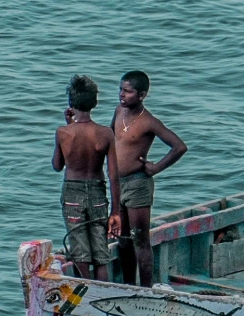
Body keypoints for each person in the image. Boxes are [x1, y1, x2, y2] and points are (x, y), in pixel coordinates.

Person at [110, 69, 186, 286]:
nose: (121, 95)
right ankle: (127, 285)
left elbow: (179, 147)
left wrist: (155, 168)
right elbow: (108, 137)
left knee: (140, 239)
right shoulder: (118, 111)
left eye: (127, 91)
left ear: (141, 95)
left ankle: (145, 289)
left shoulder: (149, 122)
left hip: (137, 184)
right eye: (120, 90)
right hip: (118, 184)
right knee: (123, 241)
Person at [52, 74, 117, 279]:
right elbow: (113, 174)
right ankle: (103, 294)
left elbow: (57, 165)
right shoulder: (106, 133)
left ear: (71, 103)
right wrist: (116, 211)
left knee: (80, 249)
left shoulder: (63, 132)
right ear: (95, 102)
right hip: (98, 191)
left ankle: (85, 295)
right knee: (100, 252)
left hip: (72, 192)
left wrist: (68, 124)